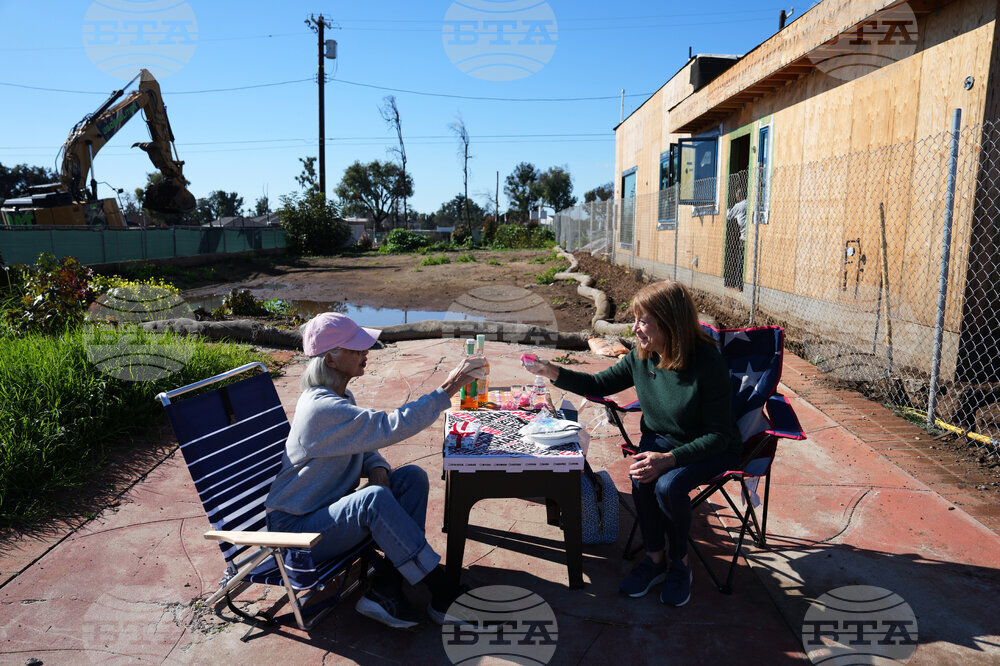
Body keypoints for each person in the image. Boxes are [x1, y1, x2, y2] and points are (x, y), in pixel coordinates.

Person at [523, 281, 740, 607]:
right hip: (662, 438)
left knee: (668, 486)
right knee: (643, 478)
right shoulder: (642, 356)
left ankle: (680, 565)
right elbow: (599, 383)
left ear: (669, 323)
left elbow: (719, 435)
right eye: (635, 320)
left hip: (707, 446)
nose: (635, 328)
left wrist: (670, 458)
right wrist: (553, 371)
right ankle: (655, 560)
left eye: (643, 320)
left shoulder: (707, 363)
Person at [265, 312, 486, 630]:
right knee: (371, 501)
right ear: (330, 358)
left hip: (323, 514)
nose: (365, 352)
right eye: (356, 348)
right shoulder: (321, 408)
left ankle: (386, 586)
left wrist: (378, 467)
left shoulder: (340, 397)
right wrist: (450, 386)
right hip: (297, 533)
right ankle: (440, 589)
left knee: (411, 479)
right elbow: (390, 426)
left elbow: (361, 441)